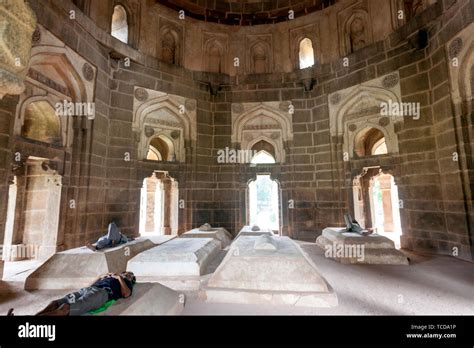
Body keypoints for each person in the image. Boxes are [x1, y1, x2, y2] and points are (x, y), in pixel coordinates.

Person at [32, 271, 136, 316]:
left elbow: (126, 294)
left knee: (65, 308)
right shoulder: (111, 276)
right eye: (125, 272)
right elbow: (91, 284)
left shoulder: (126, 282)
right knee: (55, 303)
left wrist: (119, 277)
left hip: (101, 294)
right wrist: (102, 277)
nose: (127, 273)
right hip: (87, 290)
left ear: (131, 279)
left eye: (129, 274)